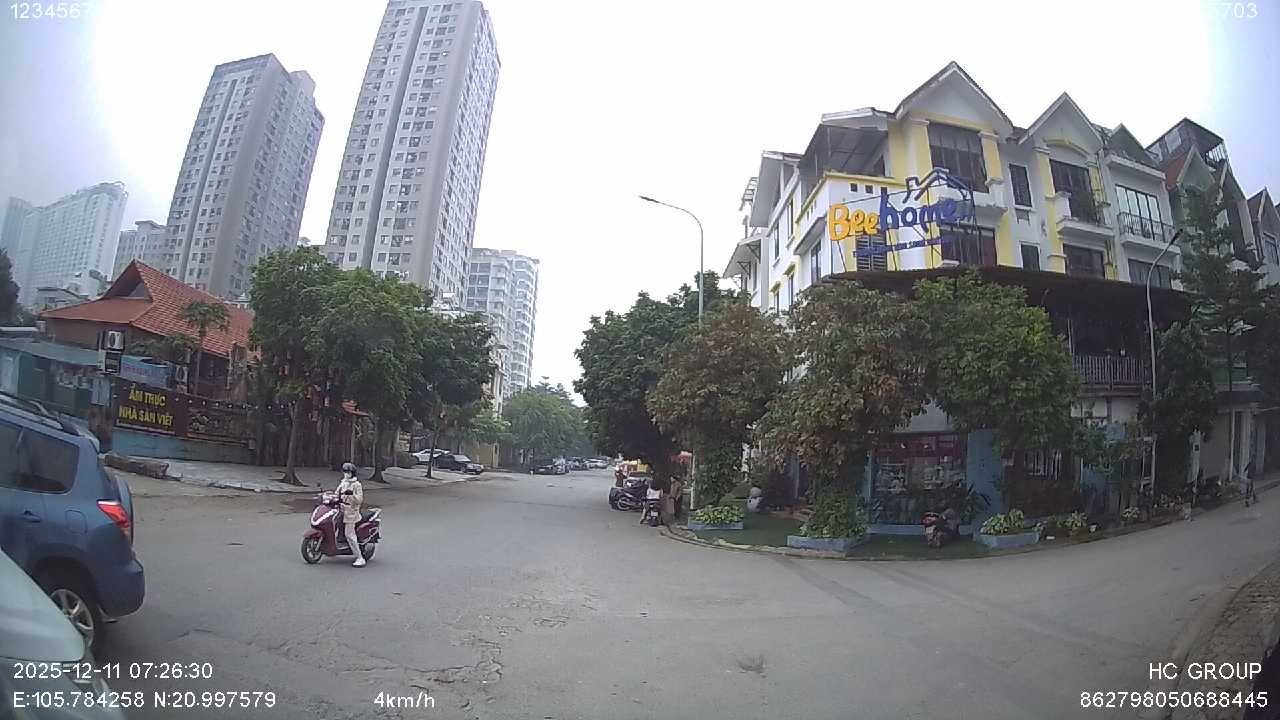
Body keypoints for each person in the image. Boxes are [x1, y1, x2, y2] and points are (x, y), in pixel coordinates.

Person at [337, 463, 366, 567]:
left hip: (351, 512)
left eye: (348, 472)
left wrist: (352, 495)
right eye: (345, 471)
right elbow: (336, 494)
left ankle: (360, 557)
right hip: (341, 509)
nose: (346, 474)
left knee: (349, 535)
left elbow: (359, 500)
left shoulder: (357, 484)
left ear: (352, 473)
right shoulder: (343, 483)